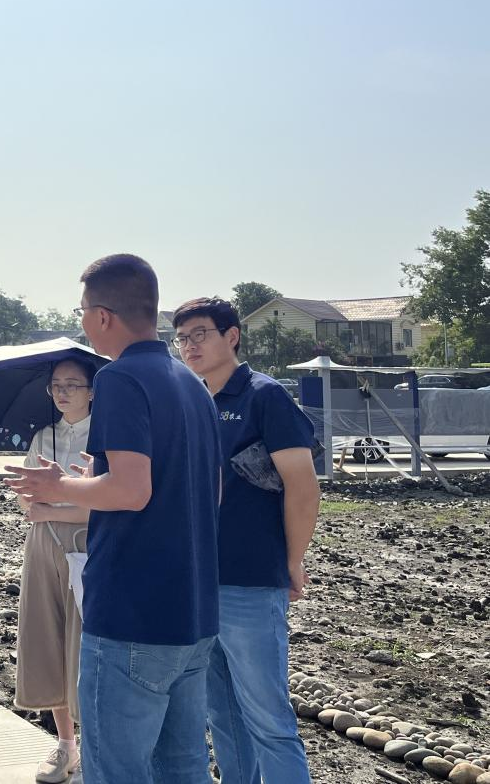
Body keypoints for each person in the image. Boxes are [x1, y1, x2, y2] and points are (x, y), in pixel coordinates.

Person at [5, 254, 222, 784]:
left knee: (117, 771)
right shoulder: (191, 382)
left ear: (102, 316)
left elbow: (130, 490)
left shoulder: (121, 378)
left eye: (82, 311)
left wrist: (59, 486)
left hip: (131, 617)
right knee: (183, 767)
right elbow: (206, 491)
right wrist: (91, 480)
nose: (82, 321)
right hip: (193, 612)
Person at [173, 298, 319, 784]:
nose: (190, 346)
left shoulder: (263, 396)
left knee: (268, 718)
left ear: (232, 336)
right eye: (182, 338)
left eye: (200, 334)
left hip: (251, 580)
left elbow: (303, 487)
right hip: (200, 582)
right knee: (223, 714)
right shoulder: (192, 401)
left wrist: (293, 560)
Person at [14, 358, 94, 783]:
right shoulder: (43, 437)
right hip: (43, 542)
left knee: (86, 644)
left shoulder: (105, 437)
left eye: (73, 384)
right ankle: (66, 744)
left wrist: (52, 505)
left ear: (92, 391)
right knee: (47, 636)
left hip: (88, 544)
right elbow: (26, 500)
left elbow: (108, 504)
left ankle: (94, 749)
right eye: (56, 385)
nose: (62, 392)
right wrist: (43, 505)